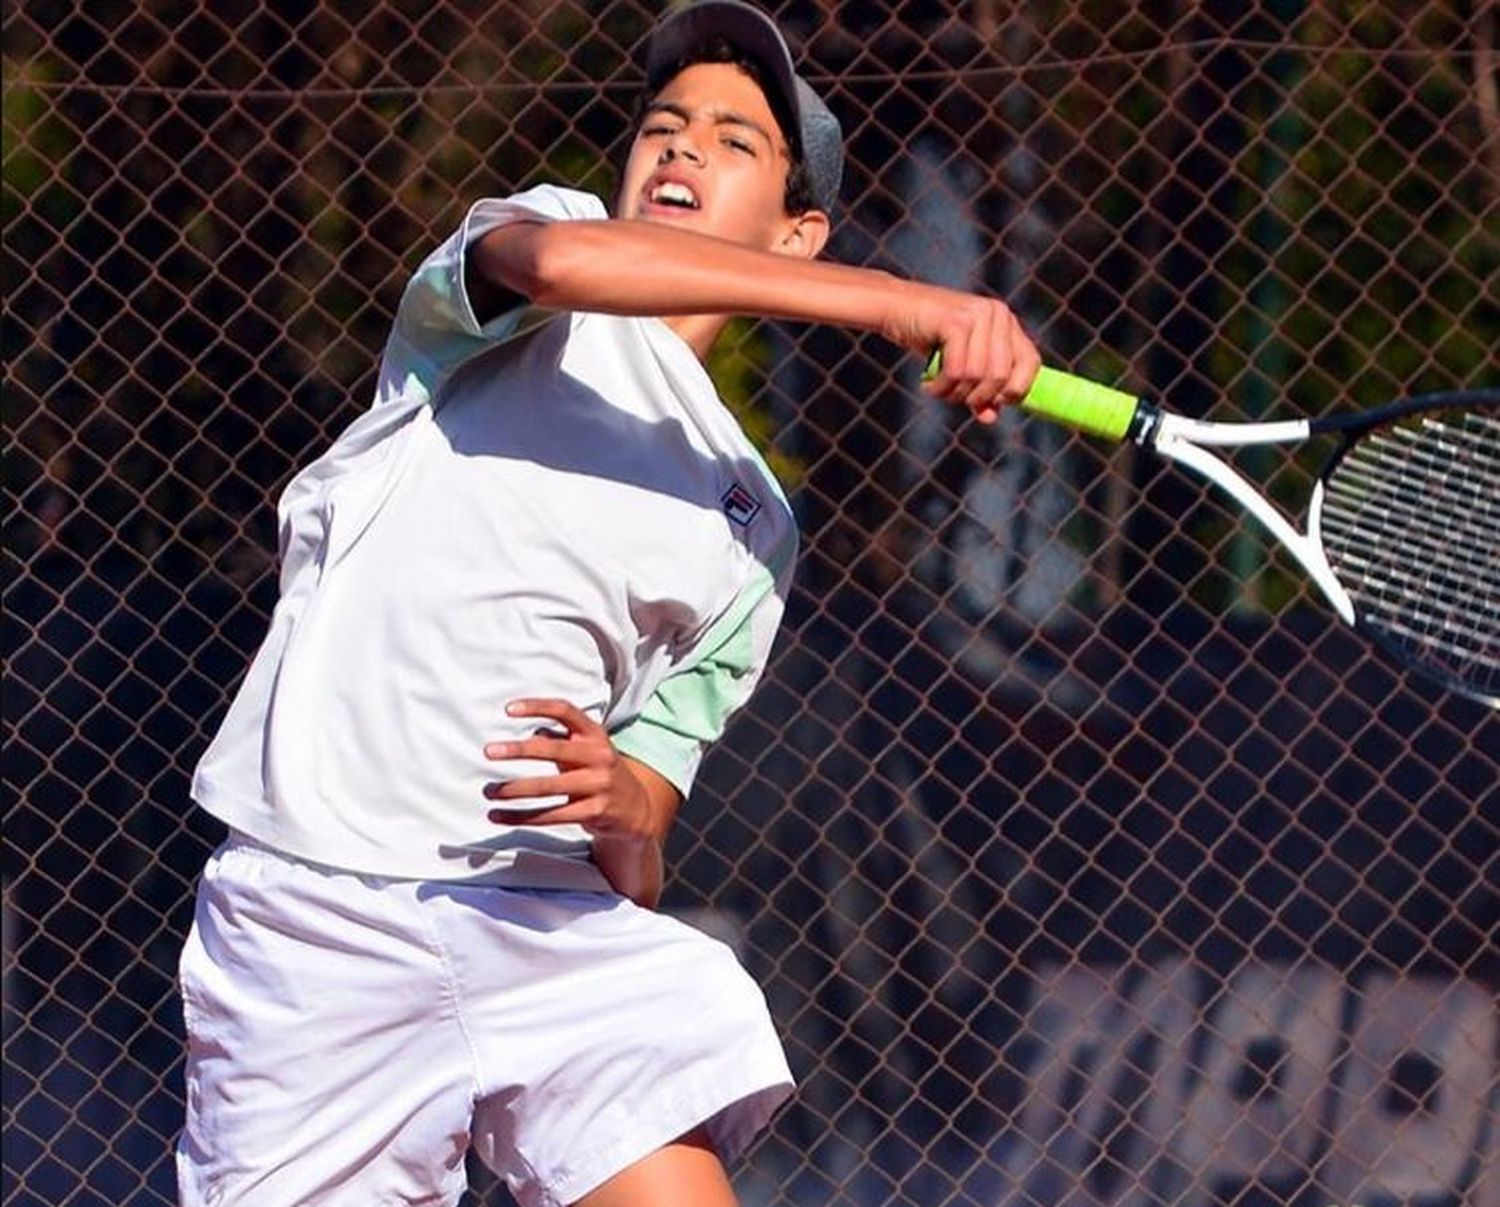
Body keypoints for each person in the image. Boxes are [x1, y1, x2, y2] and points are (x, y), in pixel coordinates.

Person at [175, 2, 1040, 1204]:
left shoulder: (752, 526)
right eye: (665, 125)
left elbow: (642, 840)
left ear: (798, 234)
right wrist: (892, 298)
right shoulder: (543, 261)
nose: (683, 148)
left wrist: (613, 788)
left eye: (737, 142)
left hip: (547, 931)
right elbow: (566, 265)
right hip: (316, 911)